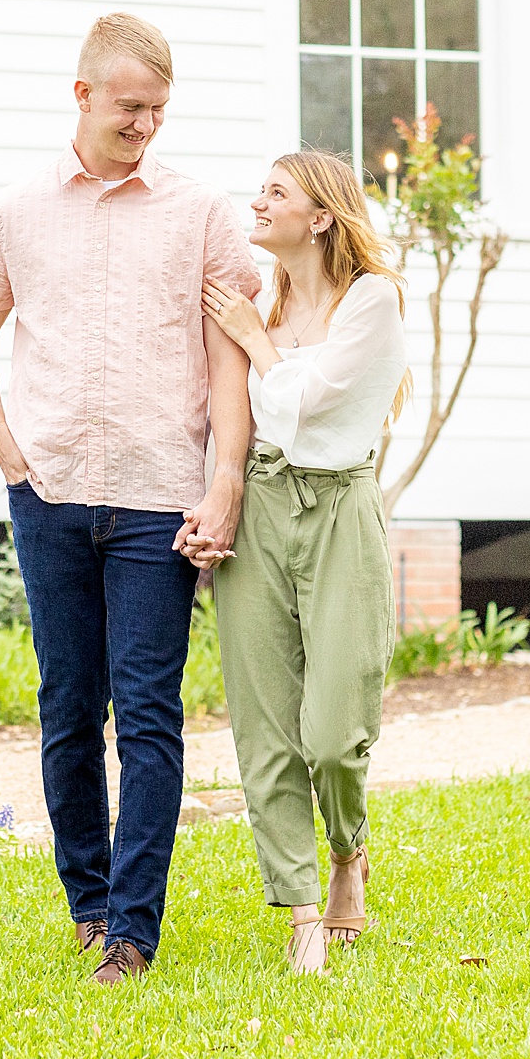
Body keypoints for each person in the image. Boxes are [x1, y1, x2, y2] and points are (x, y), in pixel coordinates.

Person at [0, 14, 261, 985]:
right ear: (81, 96)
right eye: (131, 107)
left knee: (150, 716)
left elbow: (230, 351)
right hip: (48, 497)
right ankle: (86, 903)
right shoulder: (16, 212)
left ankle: (132, 931)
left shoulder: (200, 211)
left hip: (160, 500)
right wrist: (9, 452)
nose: (145, 126)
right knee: (66, 709)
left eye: (159, 111)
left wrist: (225, 479)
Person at [195, 150, 409, 976]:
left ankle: (349, 849)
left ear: (320, 216)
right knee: (264, 723)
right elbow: (236, 417)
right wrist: (217, 498)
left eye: (275, 193)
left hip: (339, 507)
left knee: (332, 728)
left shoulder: (373, 302)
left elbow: (304, 406)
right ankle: (301, 908)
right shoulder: (264, 304)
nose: (258, 202)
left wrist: (253, 340)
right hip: (260, 506)